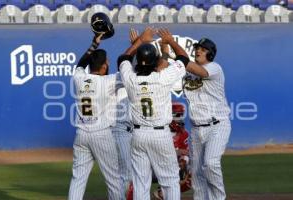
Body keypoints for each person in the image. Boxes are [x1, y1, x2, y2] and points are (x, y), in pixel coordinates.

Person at [117, 27, 189, 200]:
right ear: (156, 62)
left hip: (139, 135)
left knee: (141, 182)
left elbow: (123, 58)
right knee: (170, 180)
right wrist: (170, 42)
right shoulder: (162, 77)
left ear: (137, 62)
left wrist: (140, 40)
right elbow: (184, 59)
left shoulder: (131, 79)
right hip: (160, 135)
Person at [68, 32, 124, 200]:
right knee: (113, 179)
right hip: (101, 134)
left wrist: (94, 44)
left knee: (78, 178)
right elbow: (129, 70)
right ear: (104, 66)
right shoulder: (108, 81)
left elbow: (80, 64)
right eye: (107, 62)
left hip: (82, 134)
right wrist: (138, 43)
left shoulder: (79, 78)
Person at [183, 38, 231, 200]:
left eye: (203, 49)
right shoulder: (187, 72)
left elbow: (199, 72)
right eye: (197, 48)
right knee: (196, 174)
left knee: (210, 163)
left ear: (210, 53)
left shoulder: (214, 68)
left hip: (217, 124)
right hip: (196, 129)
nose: (198, 51)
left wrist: (173, 44)